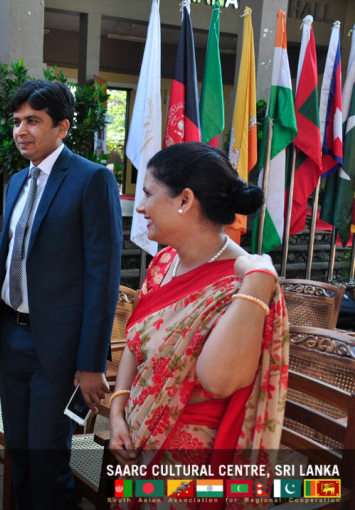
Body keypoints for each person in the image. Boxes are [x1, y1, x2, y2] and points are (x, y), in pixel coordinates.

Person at [108, 142, 289, 483]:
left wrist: (257, 284)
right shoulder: (165, 262)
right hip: (135, 438)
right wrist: (118, 411)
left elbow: (218, 381)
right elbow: (135, 344)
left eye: (148, 194)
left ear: (185, 200)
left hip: (189, 465)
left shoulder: (242, 285)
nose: (141, 206)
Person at [0, 80, 123, 509]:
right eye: (16, 121)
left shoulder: (91, 179)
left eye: (33, 121)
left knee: (48, 460)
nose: (20, 131)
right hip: (13, 338)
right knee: (20, 452)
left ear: (62, 127)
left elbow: (102, 277)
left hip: (59, 349)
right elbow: (8, 262)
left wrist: (91, 362)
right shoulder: (16, 182)